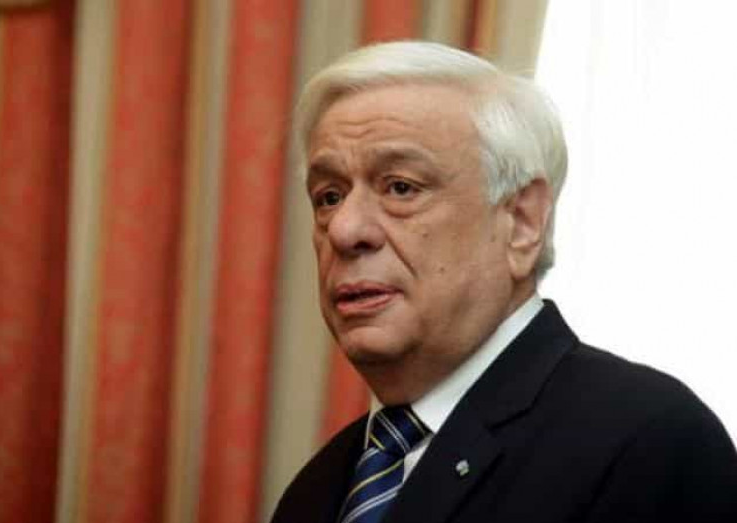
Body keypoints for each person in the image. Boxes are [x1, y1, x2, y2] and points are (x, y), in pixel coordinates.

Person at [270, 41, 737, 523]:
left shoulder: (647, 441)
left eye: (401, 187)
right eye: (329, 197)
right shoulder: (317, 490)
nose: (344, 230)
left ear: (522, 223)